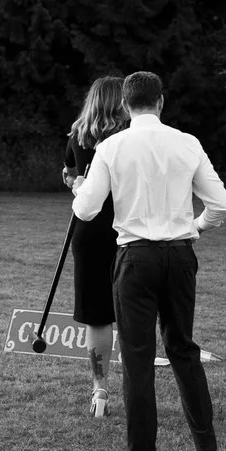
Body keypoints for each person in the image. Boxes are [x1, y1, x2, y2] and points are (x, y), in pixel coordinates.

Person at [69, 70, 226, 451]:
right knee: (183, 351)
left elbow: (86, 211)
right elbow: (221, 204)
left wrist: (80, 187)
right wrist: (194, 226)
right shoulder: (187, 142)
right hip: (179, 257)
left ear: (125, 105)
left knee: (138, 360)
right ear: (161, 102)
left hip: (135, 258)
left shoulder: (110, 146)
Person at [60, 76, 129, 418]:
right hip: (127, 231)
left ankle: (100, 389)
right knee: (132, 313)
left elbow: (73, 176)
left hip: (88, 232)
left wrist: (73, 182)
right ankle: (135, 387)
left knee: (98, 319)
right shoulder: (131, 137)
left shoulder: (78, 134)